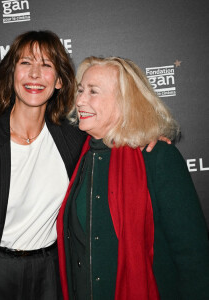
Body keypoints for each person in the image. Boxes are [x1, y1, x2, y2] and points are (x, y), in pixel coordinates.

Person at [0, 30, 87, 300]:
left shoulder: (75, 141)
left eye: (46, 65)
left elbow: (121, 142)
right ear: (12, 74)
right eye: (25, 63)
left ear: (58, 81)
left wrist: (153, 137)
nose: (34, 74)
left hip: (51, 274)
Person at [56, 56, 209, 300]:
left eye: (93, 92)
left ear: (125, 101)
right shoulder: (76, 154)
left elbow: (193, 256)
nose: (80, 100)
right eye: (81, 90)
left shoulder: (157, 157)